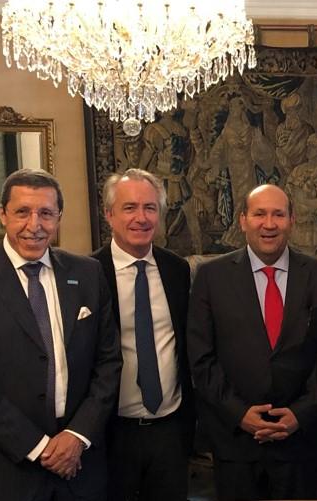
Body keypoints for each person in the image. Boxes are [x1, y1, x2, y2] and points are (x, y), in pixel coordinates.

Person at [0, 168, 121, 501]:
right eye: (22, 212)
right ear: (2, 214)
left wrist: (77, 436)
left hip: (79, 468)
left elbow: (108, 364)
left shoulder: (88, 273)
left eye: (46, 213)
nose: (34, 225)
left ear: (59, 217)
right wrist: (41, 448)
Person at [187, 184, 317, 500]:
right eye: (259, 214)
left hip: (300, 442)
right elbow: (201, 358)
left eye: (278, 214)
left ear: (292, 220)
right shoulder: (210, 276)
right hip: (235, 442)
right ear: (243, 220)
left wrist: (299, 414)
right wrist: (239, 413)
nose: (269, 224)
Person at [92, 169, 194, 501]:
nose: (141, 218)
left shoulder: (177, 270)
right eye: (130, 207)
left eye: (150, 208)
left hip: (170, 430)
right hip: (111, 431)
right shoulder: (87, 274)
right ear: (109, 214)